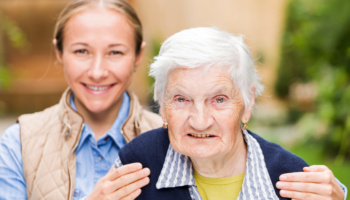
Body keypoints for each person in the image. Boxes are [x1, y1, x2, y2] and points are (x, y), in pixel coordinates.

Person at [115, 27, 347, 200]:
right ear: (162, 106)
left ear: (247, 104)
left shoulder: (292, 179)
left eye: (218, 100)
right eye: (182, 99)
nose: (200, 121)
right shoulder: (136, 165)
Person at [0, 0, 162, 199]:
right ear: (59, 53)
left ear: (138, 56)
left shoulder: (172, 140)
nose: (97, 72)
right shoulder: (18, 143)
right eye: (81, 51)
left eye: (115, 52)